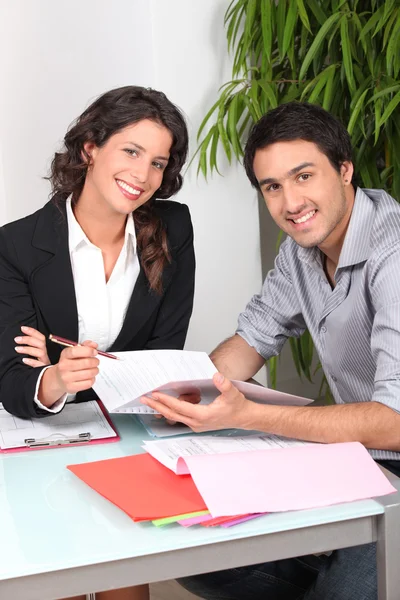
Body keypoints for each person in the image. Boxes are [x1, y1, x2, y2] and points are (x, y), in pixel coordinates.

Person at [140, 102, 400, 600]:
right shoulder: (302, 248)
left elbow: (394, 420)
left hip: (390, 456)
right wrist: (189, 394)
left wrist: (250, 414)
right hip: (360, 461)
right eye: (272, 187)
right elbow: (252, 338)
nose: (291, 202)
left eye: (304, 176)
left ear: (345, 170)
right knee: (201, 555)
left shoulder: (393, 251)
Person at [0, 85, 195, 600]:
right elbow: (13, 383)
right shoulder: (16, 245)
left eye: (158, 161)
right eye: (130, 151)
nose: (143, 175)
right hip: (39, 442)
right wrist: (54, 380)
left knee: (123, 581)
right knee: (60, 572)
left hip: (129, 436)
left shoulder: (174, 227)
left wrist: (62, 364)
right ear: (90, 147)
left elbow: (164, 358)